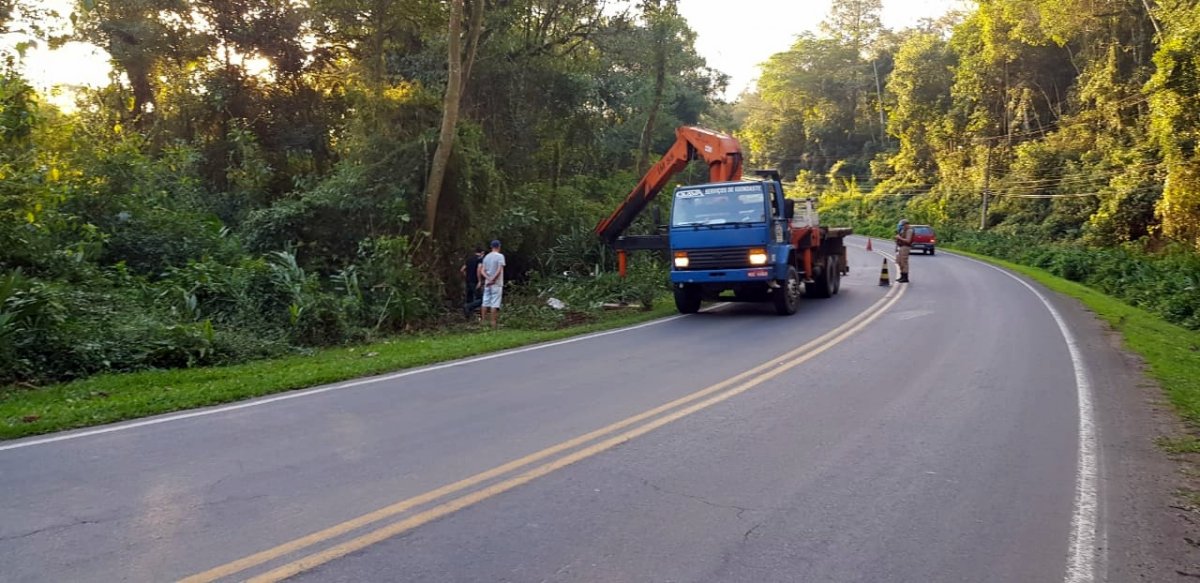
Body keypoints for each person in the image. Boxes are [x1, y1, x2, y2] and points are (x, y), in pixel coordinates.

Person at [480, 240, 506, 329]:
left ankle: (483, 322)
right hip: (496, 283)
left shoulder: (486, 257)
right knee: (494, 303)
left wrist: (488, 278)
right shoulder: (500, 256)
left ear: (491, 247)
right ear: (499, 246)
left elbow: (482, 270)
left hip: (487, 283)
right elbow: (499, 269)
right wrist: (493, 279)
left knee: (485, 302)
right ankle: (493, 323)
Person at [460, 246, 484, 317]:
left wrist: (467, 276)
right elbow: (479, 269)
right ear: (482, 253)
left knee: (469, 298)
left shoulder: (469, 259)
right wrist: (479, 281)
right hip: (475, 281)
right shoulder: (479, 260)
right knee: (481, 299)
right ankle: (467, 306)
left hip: (468, 281)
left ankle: (468, 315)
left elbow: (462, 269)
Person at [895, 218, 913, 283]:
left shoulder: (909, 230)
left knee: (904, 262)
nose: (901, 226)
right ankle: (902, 276)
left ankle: (905, 277)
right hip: (901, 247)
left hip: (905, 247)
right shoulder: (903, 230)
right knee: (899, 262)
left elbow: (908, 240)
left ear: (906, 224)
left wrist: (900, 238)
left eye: (902, 225)